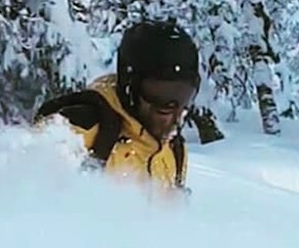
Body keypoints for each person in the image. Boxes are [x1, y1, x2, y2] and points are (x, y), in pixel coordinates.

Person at [34, 20, 201, 192]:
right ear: (131, 86)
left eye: (183, 94)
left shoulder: (174, 151)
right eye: (160, 94)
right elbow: (25, 196)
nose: (172, 109)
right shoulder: (75, 132)